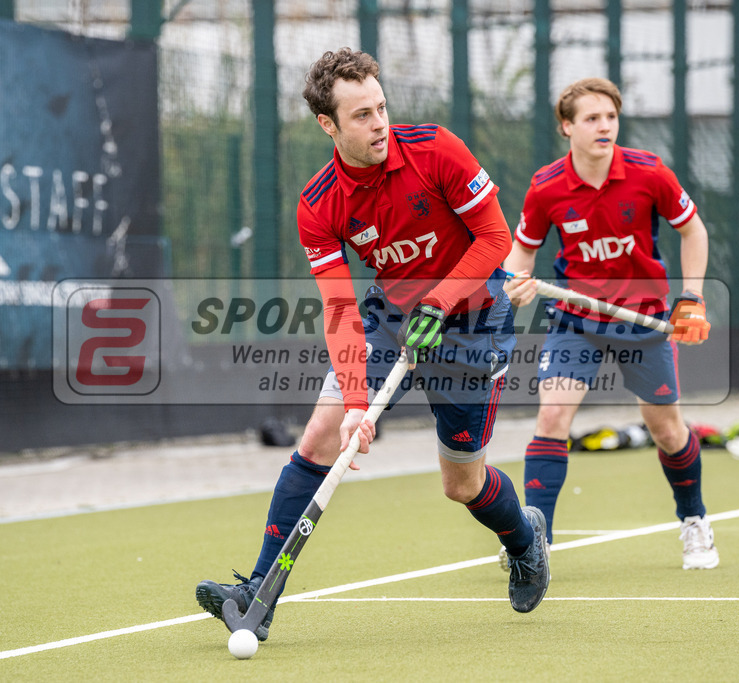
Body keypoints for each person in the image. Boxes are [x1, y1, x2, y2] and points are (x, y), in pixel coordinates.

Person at [196, 48, 550, 642]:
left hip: (472, 319)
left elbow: (493, 236)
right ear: (328, 125)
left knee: (461, 483)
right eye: (361, 115)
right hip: (391, 319)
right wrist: (358, 406)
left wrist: (439, 302)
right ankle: (258, 590)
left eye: (381, 107)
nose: (379, 123)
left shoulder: (437, 149)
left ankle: (523, 538)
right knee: (322, 432)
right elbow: (338, 308)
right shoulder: (319, 203)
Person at [500, 77, 718, 571]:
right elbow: (523, 252)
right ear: (567, 127)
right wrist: (517, 281)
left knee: (665, 429)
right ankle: (535, 544)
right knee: (552, 418)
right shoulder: (547, 186)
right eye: (592, 118)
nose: (604, 127)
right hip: (576, 318)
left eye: (611, 117)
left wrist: (692, 298)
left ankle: (694, 520)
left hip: (644, 318)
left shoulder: (650, 173)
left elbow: (693, 230)